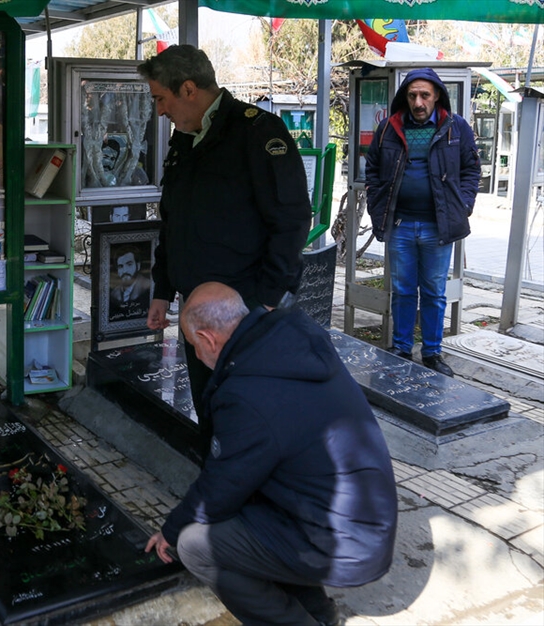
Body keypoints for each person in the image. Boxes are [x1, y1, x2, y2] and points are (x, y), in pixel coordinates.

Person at [145, 282, 398, 626]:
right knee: (250, 519)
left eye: (193, 347)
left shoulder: (247, 393)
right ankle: (319, 614)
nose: (199, 357)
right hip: (365, 523)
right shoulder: (289, 339)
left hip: (342, 545)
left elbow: (222, 487)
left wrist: (172, 530)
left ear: (207, 340)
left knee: (196, 544)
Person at [137, 45, 311, 459]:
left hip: (244, 307)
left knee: (248, 412)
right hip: (198, 307)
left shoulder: (256, 132)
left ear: (189, 89)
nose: (159, 111)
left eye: (161, 98)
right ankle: (217, 492)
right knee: (210, 409)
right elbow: (173, 220)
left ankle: (250, 504)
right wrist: (163, 288)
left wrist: (266, 299)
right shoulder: (186, 138)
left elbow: (291, 222)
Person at [365, 68, 480, 377]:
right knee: (402, 289)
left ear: (437, 95)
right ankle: (401, 346)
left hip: (438, 227)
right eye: (413, 95)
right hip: (400, 225)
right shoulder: (389, 128)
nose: (418, 102)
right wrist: (377, 206)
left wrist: (463, 204)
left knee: (433, 291)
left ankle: (432, 352)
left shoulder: (456, 128)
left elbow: (471, 169)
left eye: (424, 95)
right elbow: (372, 168)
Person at [109, 245, 151, 321]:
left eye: (129, 264)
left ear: (138, 266)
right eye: (120, 266)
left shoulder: (148, 287)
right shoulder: (114, 293)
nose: (125, 271)